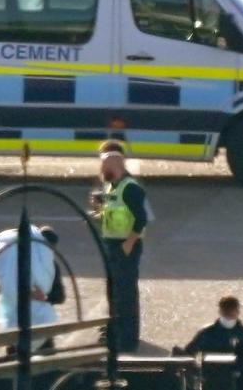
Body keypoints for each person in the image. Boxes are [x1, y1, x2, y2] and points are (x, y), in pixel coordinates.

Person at [96, 144, 151, 352]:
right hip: (112, 244)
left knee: (125, 294)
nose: (101, 170)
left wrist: (128, 244)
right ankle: (114, 331)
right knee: (114, 292)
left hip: (125, 246)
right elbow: (113, 214)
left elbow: (142, 218)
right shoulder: (112, 186)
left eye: (103, 166)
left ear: (115, 164)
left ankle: (127, 339)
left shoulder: (130, 188)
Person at [0, 226, 57, 350]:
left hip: (18, 318)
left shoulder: (10, 262)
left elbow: (2, 288)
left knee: (17, 353)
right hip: (32, 320)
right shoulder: (46, 268)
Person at [179, 296, 243, 355]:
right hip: (210, 374)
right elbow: (189, 354)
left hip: (238, 374)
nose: (229, 314)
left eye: (231, 311)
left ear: (238, 312)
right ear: (220, 311)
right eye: (226, 311)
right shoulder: (207, 333)